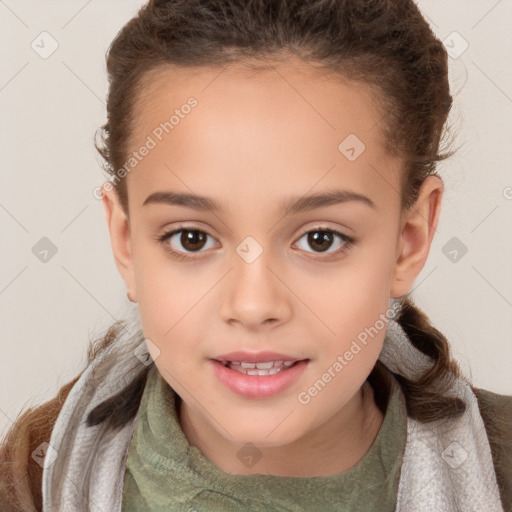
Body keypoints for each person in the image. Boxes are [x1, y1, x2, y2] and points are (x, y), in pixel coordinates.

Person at [1, 0, 511, 510]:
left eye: (320, 239)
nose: (252, 304)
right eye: (192, 238)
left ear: (410, 239)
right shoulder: (23, 487)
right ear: (125, 243)